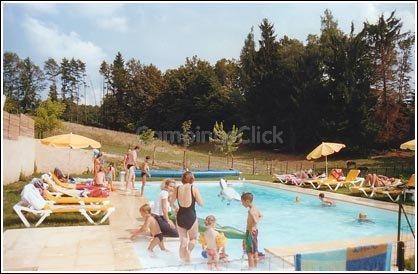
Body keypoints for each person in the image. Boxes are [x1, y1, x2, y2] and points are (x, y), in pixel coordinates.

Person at [171, 171, 204, 263]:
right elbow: (201, 203)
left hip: (180, 216)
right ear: (192, 179)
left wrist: (175, 208)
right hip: (191, 216)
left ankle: (182, 262)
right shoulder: (193, 188)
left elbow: (170, 202)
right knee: (193, 239)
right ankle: (188, 252)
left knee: (183, 241)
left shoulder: (177, 188)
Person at [241, 192, 263, 270]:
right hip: (255, 232)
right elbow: (260, 216)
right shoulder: (255, 208)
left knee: (249, 252)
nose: (242, 204)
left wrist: (251, 227)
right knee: (255, 251)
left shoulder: (251, 211)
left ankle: (251, 269)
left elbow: (256, 220)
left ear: (247, 201)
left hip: (250, 232)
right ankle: (255, 268)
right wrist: (254, 227)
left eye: (242, 202)